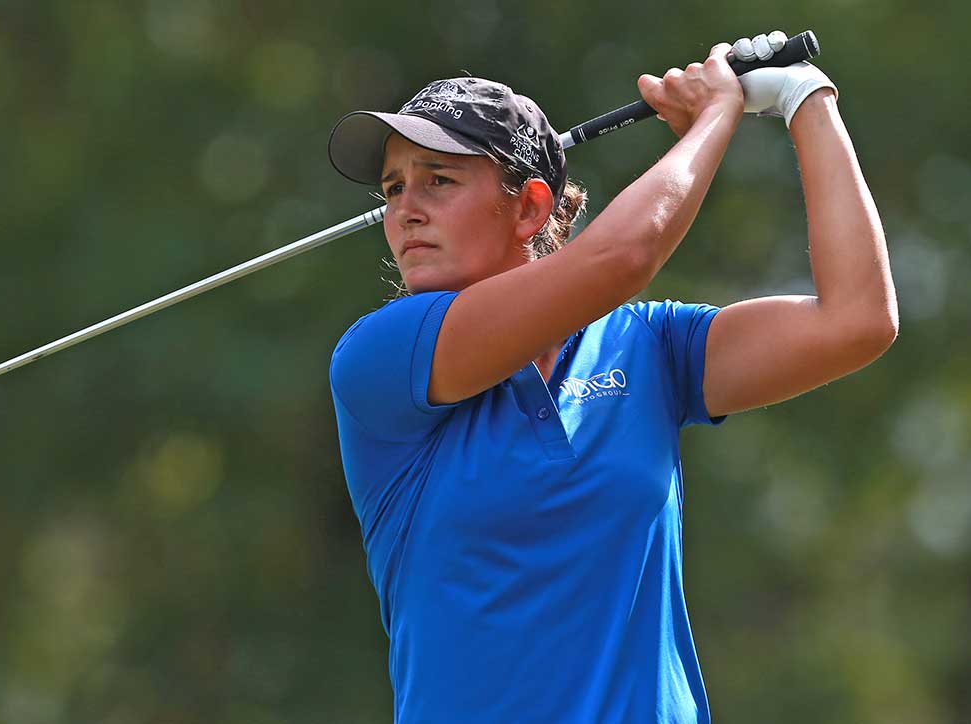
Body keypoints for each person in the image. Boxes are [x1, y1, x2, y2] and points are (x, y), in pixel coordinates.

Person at [325, 32, 898, 723]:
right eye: (393, 188)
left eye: (437, 180)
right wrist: (718, 114)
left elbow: (857, 320)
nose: (405, 210)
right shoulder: (383, 358)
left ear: (531, 208)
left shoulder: (646, 346)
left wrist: (806, 99)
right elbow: (623, 254)